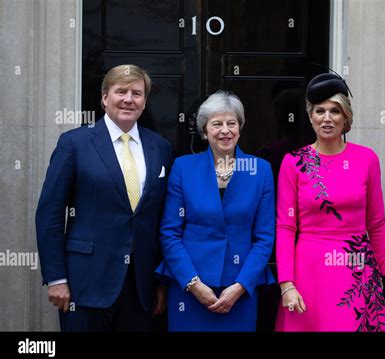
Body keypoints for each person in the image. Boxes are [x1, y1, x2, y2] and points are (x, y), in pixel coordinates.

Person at [36, 64, 173, 331]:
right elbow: (50, 214)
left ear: (144, 102)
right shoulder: (74, 143)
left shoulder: (161, 147)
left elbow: (162, 218)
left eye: (136, 93)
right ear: (104, 97)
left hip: (140, 287)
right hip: (84, 284)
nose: (128, 99)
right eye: (120, 91)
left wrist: (161, 282)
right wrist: (56, 278)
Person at [275, 73, 385, 332]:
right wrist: (287, 285)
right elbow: (285, 228)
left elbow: (377, 224)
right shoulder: (294, 163)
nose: (327, 118)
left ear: (346, 117)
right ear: (311, 117)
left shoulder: (366, 159)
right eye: (320, 111)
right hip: (308, 272)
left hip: (356, 269)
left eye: (335, 111)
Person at [155, 91, 275, 331]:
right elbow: (170, 233)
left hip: (240, 292)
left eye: (232, 123)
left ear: (240, 129)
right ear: (204, 130)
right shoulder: (183, 168)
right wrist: (193, 283)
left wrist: (241, 285)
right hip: (190, 288)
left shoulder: (260, 170)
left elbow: (264, 238)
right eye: (217, 124)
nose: (225, 130)